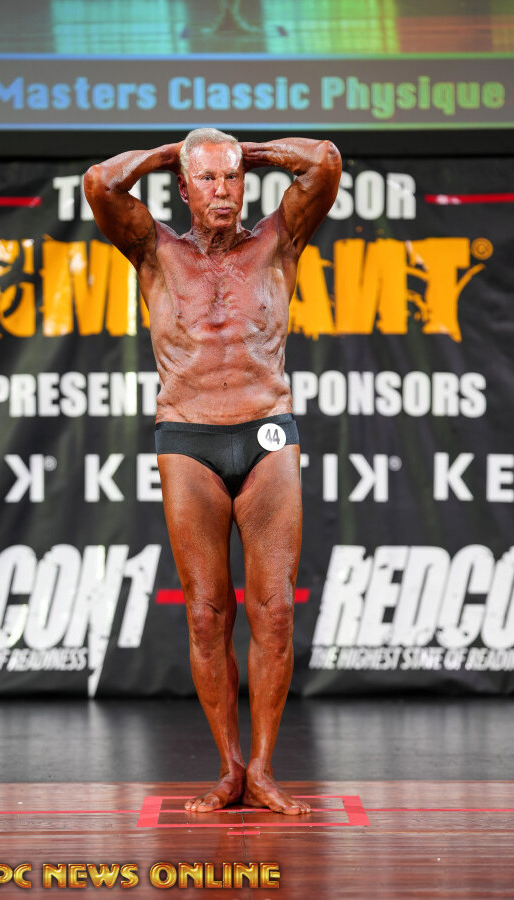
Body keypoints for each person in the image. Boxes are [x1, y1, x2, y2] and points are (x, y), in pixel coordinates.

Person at [84, 129, 341, 814]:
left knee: (276, 611)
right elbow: (100, 183)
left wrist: (240, 149)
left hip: (267, 433)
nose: (223, 191)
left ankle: (263, 770)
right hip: (188, 439)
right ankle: (228, 768)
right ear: (183, 187)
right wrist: (178, 151)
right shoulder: (155, 250)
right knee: (205, 616)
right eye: (207, 179)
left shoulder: (278, 241)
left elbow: (325, 161)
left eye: (232, 179)